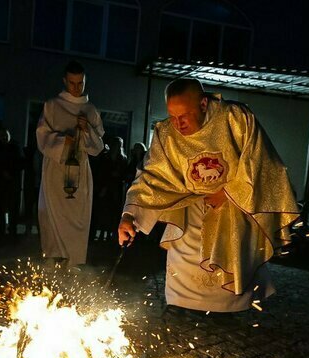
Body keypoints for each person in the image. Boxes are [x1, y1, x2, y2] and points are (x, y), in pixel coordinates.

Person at [117, 78, 299, 312]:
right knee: (185, 270)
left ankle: (231, 312)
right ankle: (181, 310)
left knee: (232, 267)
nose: (178, 124)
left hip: (234, 211)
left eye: (183, 116)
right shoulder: (166, 133)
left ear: (203, 104)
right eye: (172, 116)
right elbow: (151, 177)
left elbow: (261, 164)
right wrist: (130, 215)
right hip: (188, 214)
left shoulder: (236, 119)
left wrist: (228, 192)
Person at [36, 60, 105, 266]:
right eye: (72, 83)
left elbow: (97, 147)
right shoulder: (52, 105)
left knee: (77, 215)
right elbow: (42, 137)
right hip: (56, 169)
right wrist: (62, 140)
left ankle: (74, 261)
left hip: (80, 170)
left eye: (80, 83)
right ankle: (52, 258)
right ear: (65, 81)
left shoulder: (91, 110)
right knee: (51, 213)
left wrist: (86, 130)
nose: (76, 88)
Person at [0, 128, 24, 236]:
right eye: (2, 135)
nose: (4, 137)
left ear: (10, 135)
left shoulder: (16, 147)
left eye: (5, 135)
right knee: (0, 208)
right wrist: (2, 172)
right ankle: (1, 231)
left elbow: (20, 163)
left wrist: (10, 173)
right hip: (0, 184)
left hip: (13, 184)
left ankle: (12, 230)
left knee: (13, 209)